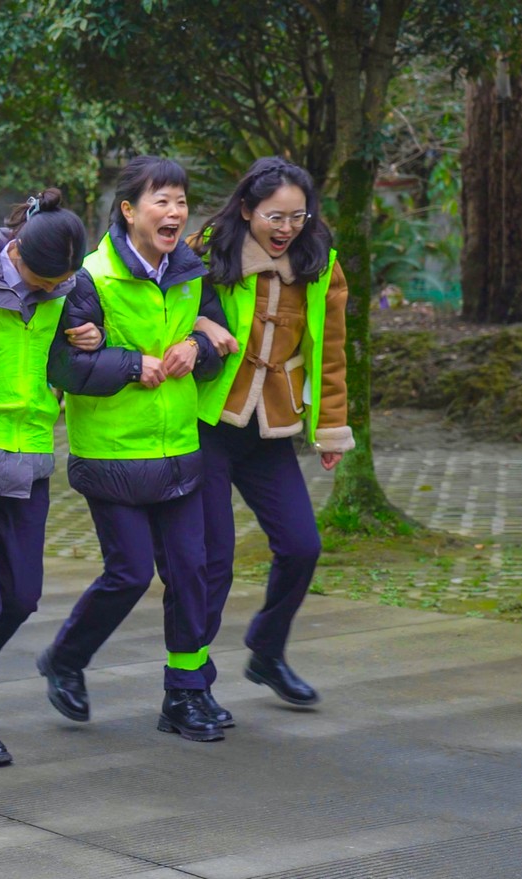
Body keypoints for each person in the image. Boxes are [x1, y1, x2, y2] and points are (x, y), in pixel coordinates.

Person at [37, 156, 230, 743]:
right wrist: (130, 364)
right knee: (127, 574)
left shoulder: (192, 272)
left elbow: (216, 338)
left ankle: (186, 693)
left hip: (179, 448)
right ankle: (66, 658)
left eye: (180, 201)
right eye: (160, 201)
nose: (173, 213)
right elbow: (64, 365)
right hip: (113, 455)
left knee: (192, 572)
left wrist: (199, 347)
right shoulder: (89, 279)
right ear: (128, 210)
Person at [0, 188, 99, 765]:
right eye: (46, 280)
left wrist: (90, 339)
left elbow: (71, 354)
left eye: (63, 283)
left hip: (29, 458)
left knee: (21, 596)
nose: (55, 290)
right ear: (19, 256)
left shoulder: (67, 291)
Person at [191, 156, 352, 712]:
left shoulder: (320, 264)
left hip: (271, 429)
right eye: (274, 217)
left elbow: (330, 354)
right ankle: (190, 683)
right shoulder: (207, 251)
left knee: (302, 546)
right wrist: (202, 325)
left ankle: (267, 650)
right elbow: (166, 307)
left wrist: (330, 429)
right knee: (215, 560)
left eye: (297, 217)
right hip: (209, 424)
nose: (286, 229)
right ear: (247, 210)